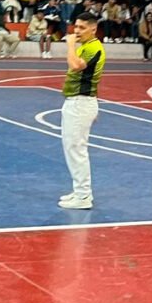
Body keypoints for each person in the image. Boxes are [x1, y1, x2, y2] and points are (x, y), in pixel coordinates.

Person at [59, 12, 105, 210]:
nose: (76, 31)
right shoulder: (87, 46)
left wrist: (70, 45)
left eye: (82, 28)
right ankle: (79, 191)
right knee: (72, 148)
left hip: (80, 103)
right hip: (78, 102)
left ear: (93, 29)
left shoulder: (93, 47)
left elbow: (76, 66)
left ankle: (83, 195)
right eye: (76, 27)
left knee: (76, 149)